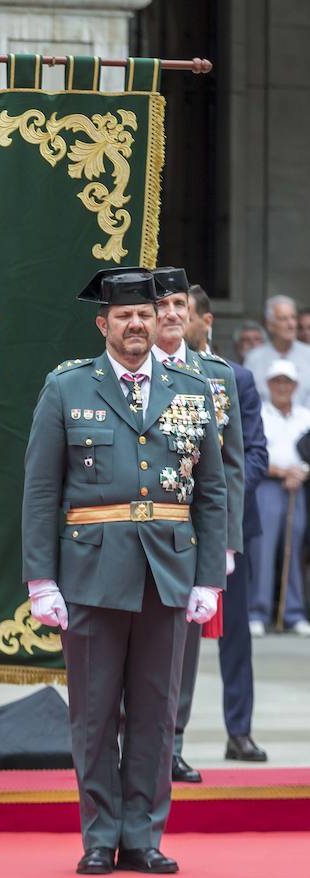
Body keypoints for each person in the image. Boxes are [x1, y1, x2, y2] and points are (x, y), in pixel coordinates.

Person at [22, 266, 225, 876]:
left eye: (146, 313)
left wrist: (209, 577)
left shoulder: (191, 388)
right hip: (89, 571)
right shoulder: (67, 388)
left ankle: (142, 835)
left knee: (157, 711)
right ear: (103, 324)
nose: (136, 323)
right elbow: (39, 491)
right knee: (93, 710)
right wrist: (41, 579)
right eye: (124, 316)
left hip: (168, 568)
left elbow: (211, 491)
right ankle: (98, 833)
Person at [148, 267, 245, 786]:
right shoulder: (132, 367)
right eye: (161, 305)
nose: (170, 314)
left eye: (178, 306)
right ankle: (132, 743)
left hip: (192, 531)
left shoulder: (216, 374)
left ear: (191, 316)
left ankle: (174, 743)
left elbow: (229, 465)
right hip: (139, 526)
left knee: (184, 649)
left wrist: (227, 539)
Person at [185, 284, 270, 762]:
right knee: (178, 640)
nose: (174, 321)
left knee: (235, 634)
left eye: (185, 313)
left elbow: (255, 455)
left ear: (206, 321)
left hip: (234, 529)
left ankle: (239, 730)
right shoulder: (162, 375)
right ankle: (169, 737)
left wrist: (222, 499)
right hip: (178, 525)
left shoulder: (235, 379)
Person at [246, 358, 310, 637]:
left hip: (299, 486)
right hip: (268, 485)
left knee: (294, 546)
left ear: (295, 386)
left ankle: (293, 612)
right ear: (269, 384)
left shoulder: (305, 415)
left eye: (287, 382)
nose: (282, 387)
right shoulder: (260, 413)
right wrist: (282, 471)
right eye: (277, 381)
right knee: (263, 548)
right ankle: (257, 611)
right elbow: (254, 453)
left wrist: (302, 472)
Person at [244, 295, 310, 406]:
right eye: (284, 319)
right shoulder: (254, 358)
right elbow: (248, 401)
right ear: (270, 325)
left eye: (293, 317)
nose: (291, 324)